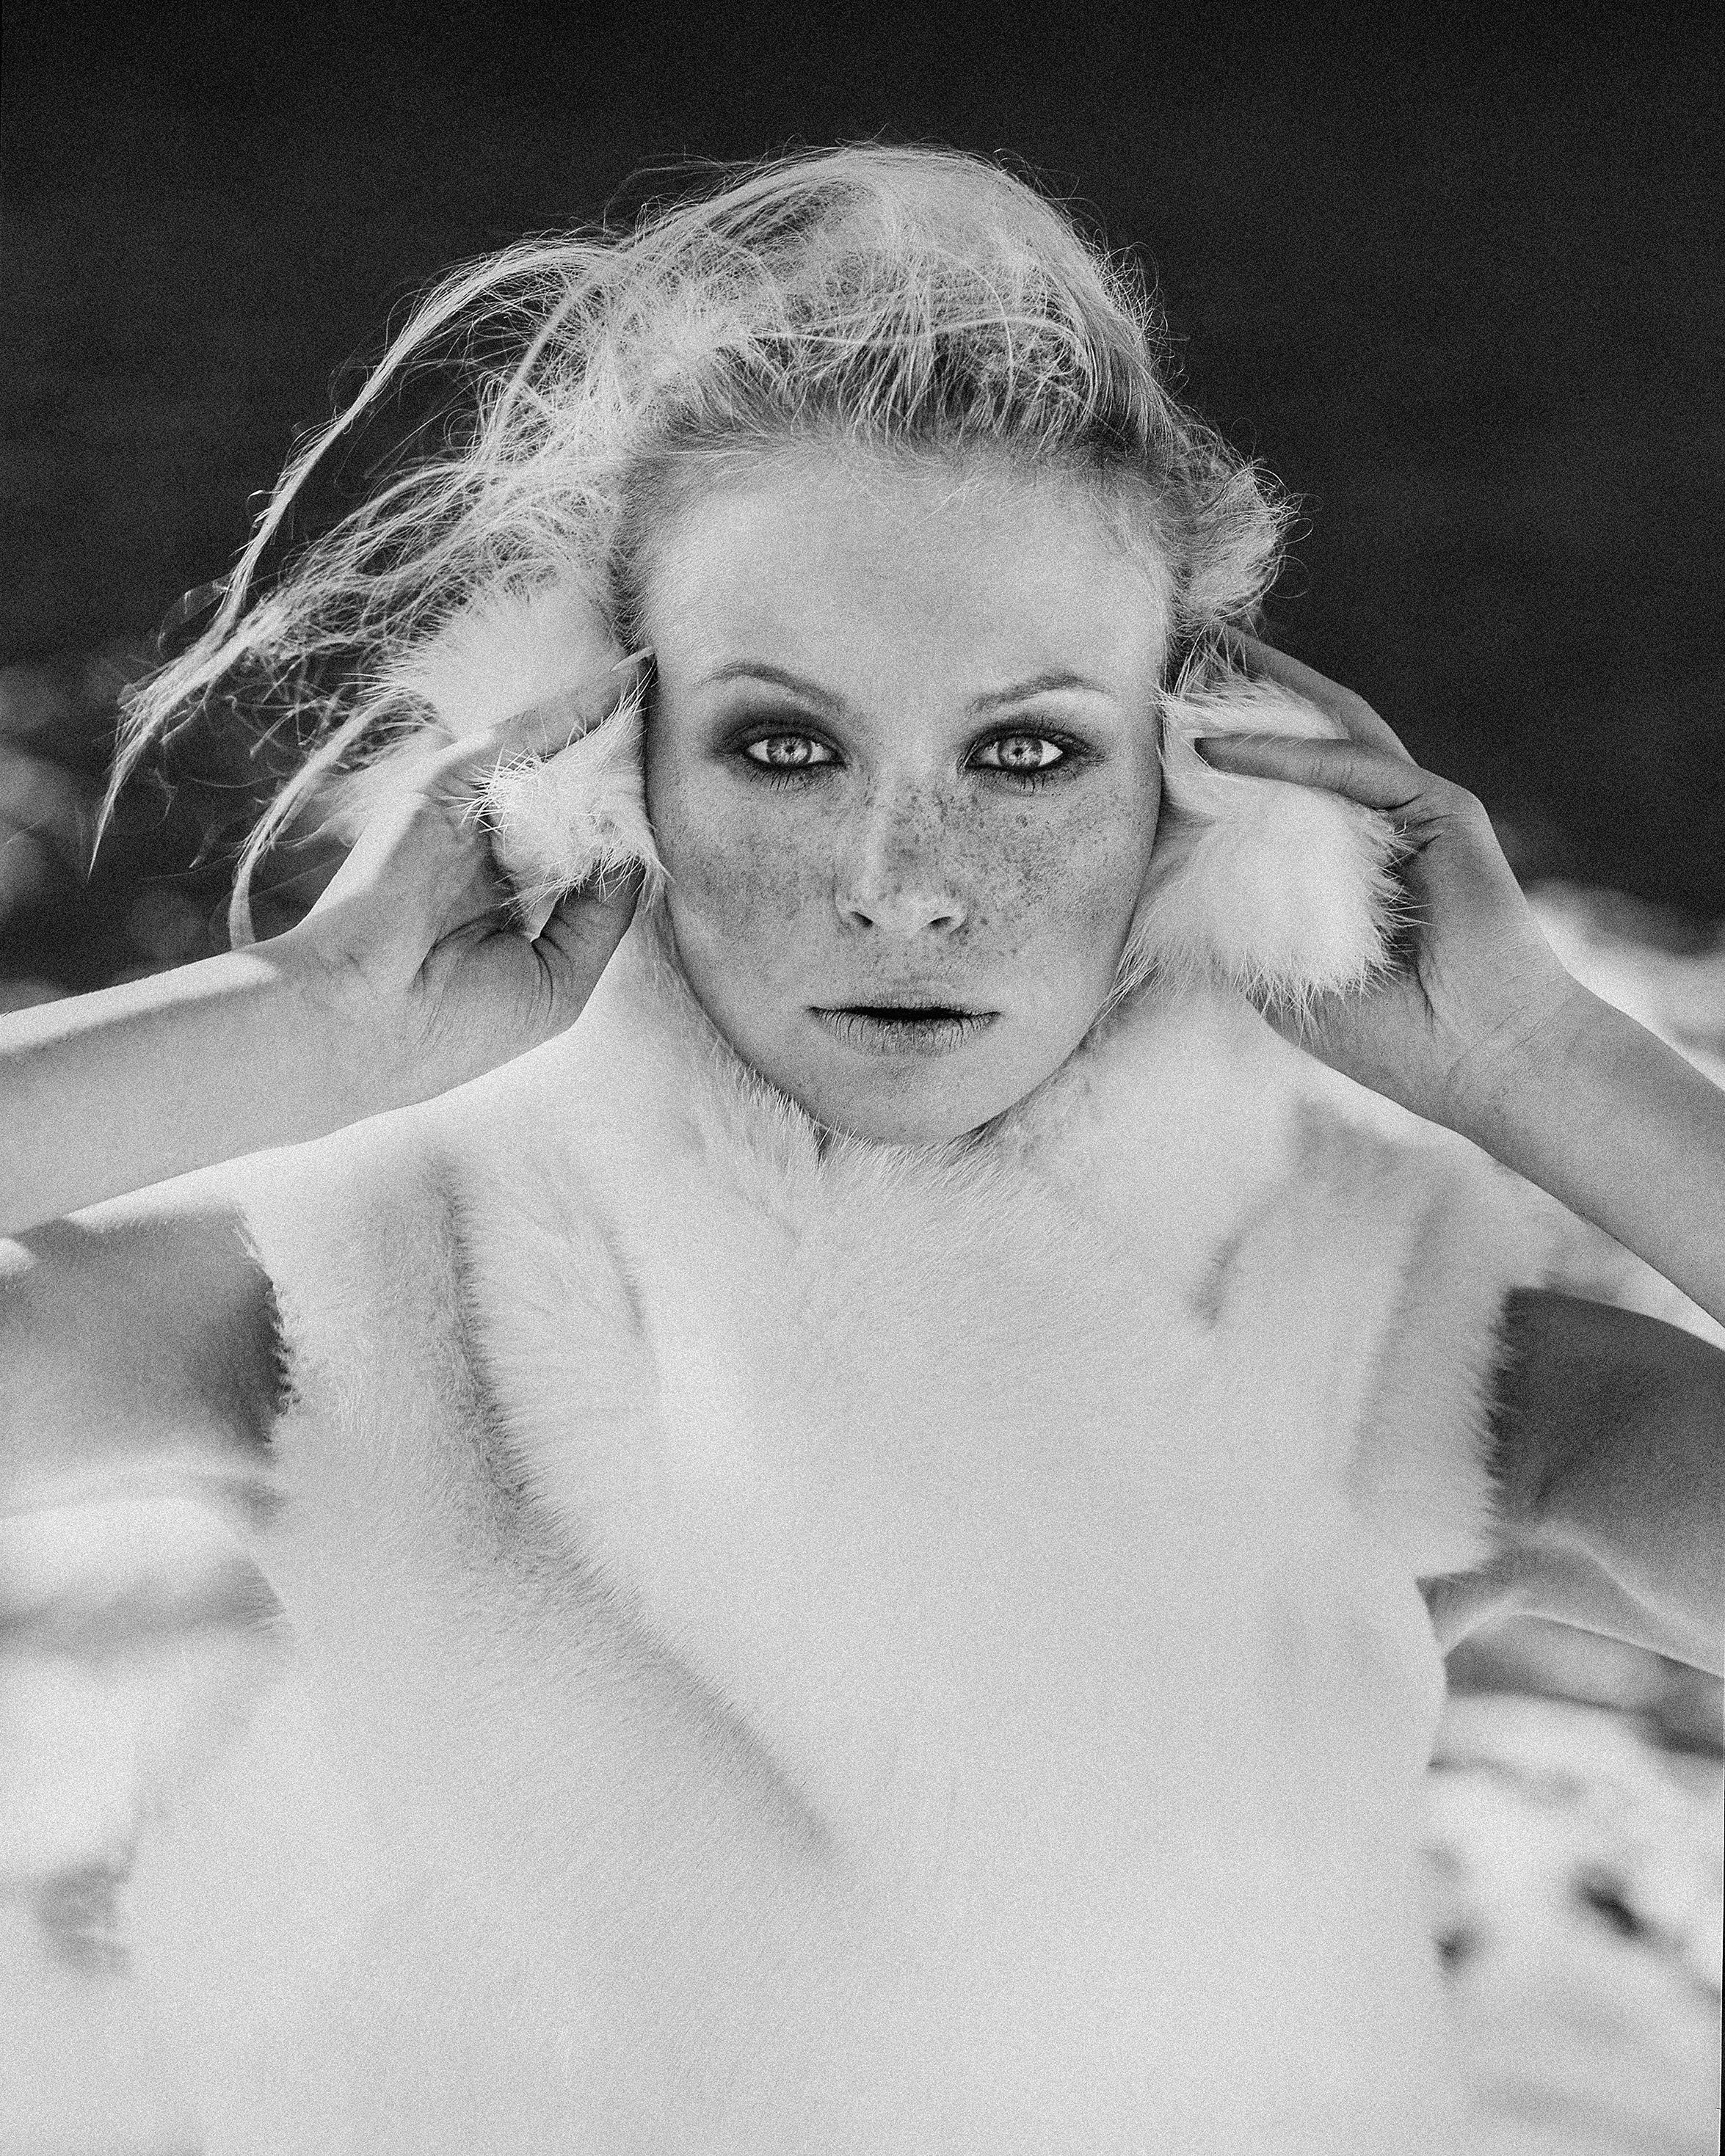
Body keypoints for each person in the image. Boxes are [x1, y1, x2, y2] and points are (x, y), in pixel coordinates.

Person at [2, 145, 1721, 2155]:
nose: (905, 882)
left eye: (1027, 751)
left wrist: (1534, 1054)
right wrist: (312, 1022)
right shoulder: (375, 1281)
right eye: (785, 745)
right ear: (600, 775)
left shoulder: (1376, 1327)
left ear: (1208, 797)